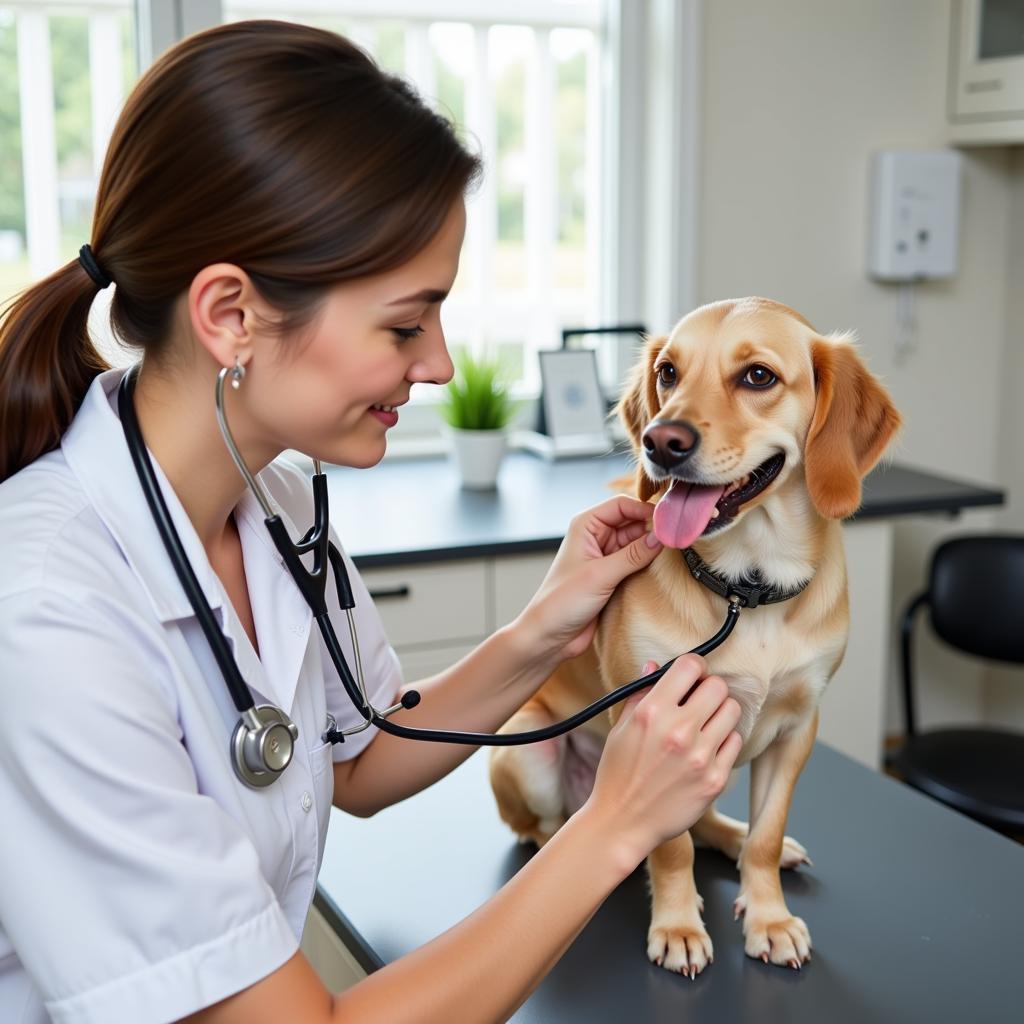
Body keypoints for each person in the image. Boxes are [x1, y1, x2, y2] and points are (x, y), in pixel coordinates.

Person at [0, 20, 743, 1024]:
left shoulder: (276, 496)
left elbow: (358, 759)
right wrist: (613, 823)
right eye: (404, 323)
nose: (436, 363)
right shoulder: (48, 612)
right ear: (231, 316)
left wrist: (546, 625)